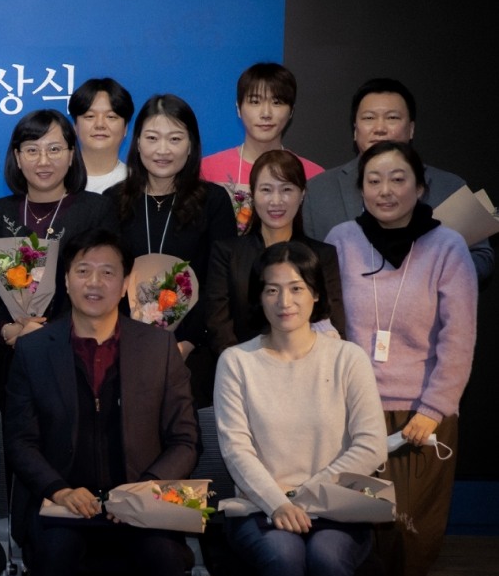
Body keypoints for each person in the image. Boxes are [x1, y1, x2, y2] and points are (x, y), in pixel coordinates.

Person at [5, 227, 198, 576]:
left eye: (108, 271)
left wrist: (149, 487)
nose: (95, 282)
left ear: (126, 282)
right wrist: (58, 488)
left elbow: (185, 438)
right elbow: (19, 441)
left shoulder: (158, 348)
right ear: (64, 281)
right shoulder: (33, 350)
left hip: (139, 504)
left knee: (163, 556)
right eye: (83, 271)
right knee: (54, 550)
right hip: (61, 503)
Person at [214, 241, 385, 576]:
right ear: (258, 298)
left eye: (295, 288)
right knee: (285, 559)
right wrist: (279, 503)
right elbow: (236, 449)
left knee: (329, 559)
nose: (283, 300)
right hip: (261, 507)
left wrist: (306, 496)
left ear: (315, 296)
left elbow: (371, 444)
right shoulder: (236, 362)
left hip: (336, 506)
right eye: (271, 289)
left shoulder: (347, 358)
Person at [326, 141, 476, 576]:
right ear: (359, 187)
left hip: (420, 414)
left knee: (412, 529)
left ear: (420, 186)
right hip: (352, 409)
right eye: (373, 180)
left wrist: (433, 408)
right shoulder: (342, 240)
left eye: (397, 179)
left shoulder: (448, 247)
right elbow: (326, 322)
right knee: (363, 524)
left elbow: (458, 338)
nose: (385, 191)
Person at [104, 94, 238, 405]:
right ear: (138, 143)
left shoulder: (213, 201)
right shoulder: (113, 201)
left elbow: (219, 282)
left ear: (191, 145)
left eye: (175, 138)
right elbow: (109, 278)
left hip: (192, 351)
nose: (163, 149)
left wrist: (187, 342)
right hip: (123, 348)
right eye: (152, 138)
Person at [0, 110, 111, 409]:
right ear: (17, 156)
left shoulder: (96, 210)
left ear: (71, 154)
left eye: (54, 149)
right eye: (31, 150)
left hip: (76, 364)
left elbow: (103, 289)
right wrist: (6, 330)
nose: (43, 161)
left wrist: (46, 333)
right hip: (10, 366)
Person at [303, 77, 492, 285]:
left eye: (392, 118)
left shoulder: (450, 187)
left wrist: (435, 275)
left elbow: (481, 258)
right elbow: (305, 261)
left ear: (411, 129)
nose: (380, 128)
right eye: (369, 118)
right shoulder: (319, 189)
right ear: (355, 130)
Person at [204, 149, 346, 363]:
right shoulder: (227, 253)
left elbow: (333, 322)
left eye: (287, 189)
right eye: (266, 190)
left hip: (306, 375)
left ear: (302, 194)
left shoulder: (322, 255)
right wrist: (245, 370)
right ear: (253, 194)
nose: (276, 201)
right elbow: (218, 324)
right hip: (241, 373)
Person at [200, 63, 325, 232]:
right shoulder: (206, 170)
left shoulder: (314, 176)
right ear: (238, 108)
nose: (266, 113)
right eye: (255, 101)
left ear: (291, 112)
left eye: (277, 102)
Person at [68, 77, 134, 193]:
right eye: (90, 116)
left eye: (111, 117)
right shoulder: (56, 181)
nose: (100, 125)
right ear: (75, 126)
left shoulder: (136, 183)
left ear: (125, 128)